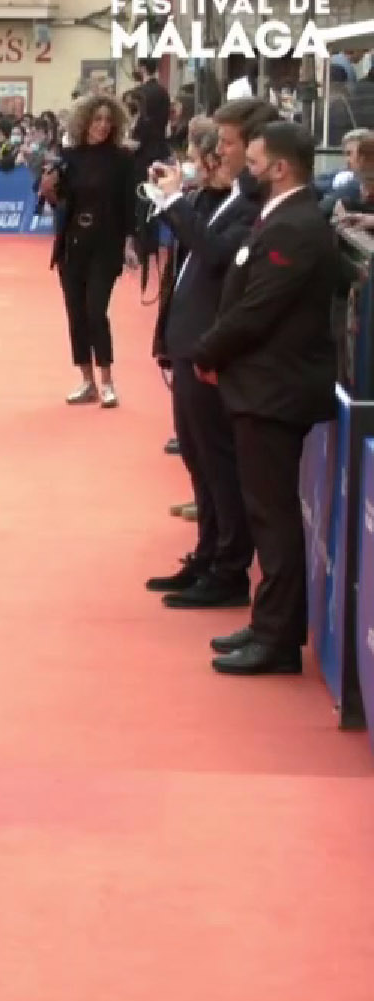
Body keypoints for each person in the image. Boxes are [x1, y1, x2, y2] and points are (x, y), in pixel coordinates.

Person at [191, 121, 338, 676]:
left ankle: (277, 641)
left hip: (275, 389)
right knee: (266, 514)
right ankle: (267, 622)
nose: (244, 172)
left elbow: (259, 309)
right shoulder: (282, 218)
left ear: (279, 168)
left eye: (252, 164)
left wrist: (209, 351)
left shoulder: (298, 226)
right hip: (260, 385)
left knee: (273, 521)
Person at [146, 100, 276, 611]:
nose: (215, 153)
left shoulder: (253, 206)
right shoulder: (221, 197)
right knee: (199, 461)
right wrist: (189, 190)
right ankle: (207, 555)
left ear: (255, 149)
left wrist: (178, 201)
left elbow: (217, 255)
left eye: (226, 145)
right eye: (215, 144)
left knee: (219, 464)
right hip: (186, 340)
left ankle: (228, 569)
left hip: (210, 347)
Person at [38, 94, 140, 407]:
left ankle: (107, 381)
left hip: (106, 243)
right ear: (84, 121)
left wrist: (130, 243)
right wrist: (49, 189)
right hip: (73, 242)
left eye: (108, 120)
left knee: (96, 311)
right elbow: (59, 200)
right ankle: (87, 381)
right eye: (97, 120)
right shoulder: (69, 156)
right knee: (76, 313)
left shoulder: (122, 159)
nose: (103, 126)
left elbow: (129, 205)